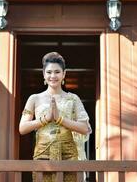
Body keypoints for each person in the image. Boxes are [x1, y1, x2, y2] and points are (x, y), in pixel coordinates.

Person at [19, 52, 92, 182]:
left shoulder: (73, 99)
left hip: (69, 154)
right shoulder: (34, 98)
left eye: (57, 72)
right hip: (42, 154)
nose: (53, 76)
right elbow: (22, 128)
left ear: (64, 74)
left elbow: (84, 128)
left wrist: (60, 119)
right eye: (49, 72)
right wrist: (45, 119)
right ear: (43, 74)